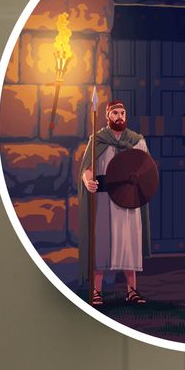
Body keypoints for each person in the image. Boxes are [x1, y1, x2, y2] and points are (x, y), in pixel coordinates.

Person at [78, 100, 152, 306]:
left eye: (123, 113)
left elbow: (146, 168)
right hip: (104, 199)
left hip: (129, 198)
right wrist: (88, 181)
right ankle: (96, 291)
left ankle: (132, 291)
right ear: (107, 116)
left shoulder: (137, 141)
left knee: (130, 244)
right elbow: (87, 167)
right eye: (115, 113)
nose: (120, 116)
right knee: (101, 244)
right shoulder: (98, 140)